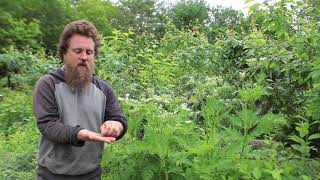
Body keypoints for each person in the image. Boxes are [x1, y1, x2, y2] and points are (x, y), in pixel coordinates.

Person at [33, 20, 127, 180]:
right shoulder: (48, 84)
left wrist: (115, 126)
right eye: (78, 51)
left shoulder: (104, 89)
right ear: (64, 53)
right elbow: (48, 125)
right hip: (52, 175)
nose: (84, 57)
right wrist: (80, 134)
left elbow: (119, 118)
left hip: (91, 175)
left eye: (89, 52)